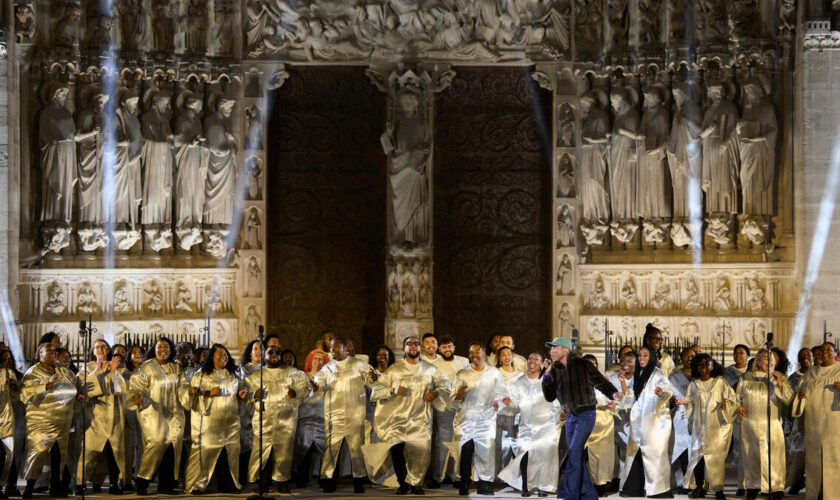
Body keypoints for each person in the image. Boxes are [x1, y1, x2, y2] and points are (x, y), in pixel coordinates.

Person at [364, 336, 451, 494]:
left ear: (420, 348)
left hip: (421, 419)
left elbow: (446, 385)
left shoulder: (431, 369)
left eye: (416, 344)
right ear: (404, 349)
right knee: (397, 450)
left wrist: (436, 392)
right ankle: (403, 483)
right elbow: (376, 390)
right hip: (397, 419)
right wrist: (392, 390)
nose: (413, 346)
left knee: (422, 451)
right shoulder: (395, 370)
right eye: (409, 344)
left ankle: (416, 483)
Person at [542, 337, 621, 500]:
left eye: (555, 348)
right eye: (550, 349)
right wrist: (547, 377)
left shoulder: (583, 365)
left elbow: (600, 381)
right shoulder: (555, 369)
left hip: (586, 414)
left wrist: (612, 393)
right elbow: (550, 397)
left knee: (574, 453)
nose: (551, 351)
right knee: (576, 455)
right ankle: (589, 495)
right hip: (570, 418)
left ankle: (568, 495)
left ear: (565, 350)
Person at [311, 337, 374, 493]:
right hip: (334, 414)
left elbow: (373, 383)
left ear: (346, 348)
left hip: (355, 414)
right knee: (331, 449)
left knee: (356, 449)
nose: (332, 349)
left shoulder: (359, 365)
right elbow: (319, 387)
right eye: (331, 347)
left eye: (335, 346)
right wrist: (315, 386)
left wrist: (374, 378)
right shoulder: (327, 368)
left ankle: (358, 481)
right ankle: (328, 481)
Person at [246, 344, 310, 493]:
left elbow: (305, 388)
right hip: (263, 420)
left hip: (286, 420)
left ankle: (282, 481)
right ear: (265, 355)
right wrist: (253, 395)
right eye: (271, 352)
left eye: (277, 353)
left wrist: (296, 393)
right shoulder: (256, 375)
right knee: (261, 452)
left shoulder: (292, 373)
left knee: (284, 452)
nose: (274, 355)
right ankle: (262, 482)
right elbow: (246, 394)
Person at [183, 344, 246, 494]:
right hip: (209, 423)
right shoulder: (202, 375)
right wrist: (208, 393)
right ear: (211, 357)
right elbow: (194, 396)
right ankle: (198, 484)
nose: (223, 356)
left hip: (230, 422)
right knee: (207, 452)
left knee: (229, 451)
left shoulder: (234, 374)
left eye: (225, 354)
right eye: (219, 354)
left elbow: (240, 393)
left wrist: (241, 396)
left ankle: (229, 484)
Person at [499, 352, 563, 497]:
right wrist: (506, 403)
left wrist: (557, 418)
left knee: (545, 456)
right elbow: (515, 405)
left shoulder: (547, 380)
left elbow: (556, 401)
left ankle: (543, 486)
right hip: (526, 425)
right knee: (524, 453)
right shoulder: (519, 382)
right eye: (530, 358)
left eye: (536, 359)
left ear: (541, 363)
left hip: (546, 424)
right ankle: (525, 486)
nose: (532, 361)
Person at [20, 342, 79, 498]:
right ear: (40, 353)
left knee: (59, 455)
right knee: (37, 452)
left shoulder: (63, 371)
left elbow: (73, 385)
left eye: (54, 351)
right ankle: (29, 486)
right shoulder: (33, 372)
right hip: (42, 420)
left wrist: (77, 394)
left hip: (61, 420)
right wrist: (46, 386)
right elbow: (25, 393)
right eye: (49, 351)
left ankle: (56, 486)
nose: (53, 353)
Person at [735, 349, 794, 500]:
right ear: (759, 361)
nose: (771, 361)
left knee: (774, 457)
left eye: (773, 358)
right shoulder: (746, 377)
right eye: (767, 358)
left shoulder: (780, 377)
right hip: (750, 424)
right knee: (752, 456)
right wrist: (737, 407)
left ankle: (776, 488)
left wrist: (779, 383)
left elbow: (788, 399)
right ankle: (753, 487)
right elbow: (736, 398)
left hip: (772, 424)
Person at [450, 342, 507, 496]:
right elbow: (452, 400)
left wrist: (497, 406)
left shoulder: (494, 372)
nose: (474, 356)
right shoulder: (462, 374)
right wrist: (458, 395)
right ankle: (465, 482)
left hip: (486, 418)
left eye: (477, 352)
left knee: (486, 451)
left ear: (484, 353)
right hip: (466, 418)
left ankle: (485, 483)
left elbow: (502, 396)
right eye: (471, 353)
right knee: (465, 450)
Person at [129, 337, 184, 495]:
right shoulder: (146, 368)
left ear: (171, 349)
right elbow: (137, 385)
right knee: (156, 442)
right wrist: (138, 396)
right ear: (154, 349)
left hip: (174, 413)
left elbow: (182, 386)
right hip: (153, 411)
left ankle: (166, 484)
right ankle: (142, 480)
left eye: (166, 347)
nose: (163, 350)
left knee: (171, 446)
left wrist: (189, 392)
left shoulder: (176, 367)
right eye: (160, 347)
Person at [618, 345, 674, 498]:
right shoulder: (638, 374)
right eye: (640, 355)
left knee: (655, 453)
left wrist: (662, 393)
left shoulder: (658, 374)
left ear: (652, 358)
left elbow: (668, 391)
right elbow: (629, 397)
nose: (641, 358)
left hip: (655, 421)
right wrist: (622, 382)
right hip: (639, 421)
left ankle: (658, 489)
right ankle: (633, 488)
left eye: (645, 355)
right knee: (636, 452)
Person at [74, 339, 127, 495]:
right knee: (89, 451)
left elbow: (121, 389)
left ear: (108, 350)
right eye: (97, 347)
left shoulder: (115, 366)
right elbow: (85, 389)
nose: (101, 349)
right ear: (93, 350)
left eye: (104, 347)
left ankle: (113, 483)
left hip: (113, 414)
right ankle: (80, 483)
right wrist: (97, 371)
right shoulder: (86, 368)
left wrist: (113, 372)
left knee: (114, 451)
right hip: (95, 415)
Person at [682, 353, 736, 499]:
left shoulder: (720, 382)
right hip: (699, 427)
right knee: (698, 457)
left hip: (716, 427)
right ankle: (699, 486)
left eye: (707, 363)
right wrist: (686, 405)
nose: (704, 367)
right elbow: (690, 403)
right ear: (696, 367)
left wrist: (726, 404)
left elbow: (733, 399)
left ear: (713, 366)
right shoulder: (693, 384)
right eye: (700, 364)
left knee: (716, 458)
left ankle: (718, 489)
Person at [791, 342, 840, 500]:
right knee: (813, 462)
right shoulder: (810, 374)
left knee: (833, 459)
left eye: (828, 350)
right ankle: (813, 494)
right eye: (822, 350)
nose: (825, 352)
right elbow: (798, 396)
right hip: (813, 424)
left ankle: (832, 496)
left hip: (834, 423)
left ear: (835, 353)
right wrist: (800, 398)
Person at [428, 336, 469, 488]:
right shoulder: (433, 365)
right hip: (443, 408)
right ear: (439, 349)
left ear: (454, 347)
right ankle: (437, 476)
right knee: (442, 442)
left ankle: (455, 476)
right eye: (444, 347)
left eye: (449, 347)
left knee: (458, 441)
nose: (447, 350)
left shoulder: (464, 362)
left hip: (461, 407)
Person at [582, 355, 618, 497]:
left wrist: (612, 403)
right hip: (585, 422)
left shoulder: (603, 381)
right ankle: (586, 484)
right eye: (588, 364)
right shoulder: (577, 382)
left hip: (603, 423)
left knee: (602, 457)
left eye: (594, 364)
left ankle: (601, 485)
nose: (592, 367)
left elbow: (614, 397)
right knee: (585, 456)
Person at [294, 350, 327, 488]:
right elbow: (297, 395)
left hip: (322, 417)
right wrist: (311, 389)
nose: (318, 361)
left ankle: (324, 480)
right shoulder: (302, 376)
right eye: (315, 358)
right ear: (310, 361)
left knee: (324, 450)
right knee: (305, 447)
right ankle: (302, 479)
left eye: (321, 359)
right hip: (307, 417)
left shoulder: (328, 376)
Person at [785, 348, 812, 495]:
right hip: (798, 422)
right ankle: (797, 481)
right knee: (798, 455)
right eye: (802, 356)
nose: (806, 358)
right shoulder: (793, 379)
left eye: (808, 355)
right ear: (798, 360)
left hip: (814, 420)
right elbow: (788, 401)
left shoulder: (816, 375)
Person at [669, 347, 696, 492]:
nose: (689, 359)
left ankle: (693, 482)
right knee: (681, 449)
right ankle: (682, 482)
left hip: (696, 417)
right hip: (679, 417)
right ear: (681, 358)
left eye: (692, 356)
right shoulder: (673, 377)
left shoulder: (700, 375)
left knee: (694, 450)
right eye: (686, 356)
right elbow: (669, 396)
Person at [609, 350, 636, 488]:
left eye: (630, 361)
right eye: (623, 361)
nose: (625, 364)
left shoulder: (638, 379)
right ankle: (614, 479)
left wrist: (623, 384)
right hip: (615, 416)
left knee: (628, 449)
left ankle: (626, 480)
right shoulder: (612, 378)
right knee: (614, 449)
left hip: (632, 417)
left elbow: (631, 399)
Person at [237, 339, 263, 482]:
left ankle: (258, 478)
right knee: (245, 444)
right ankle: (243, 477)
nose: (259, 352)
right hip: (246, 411)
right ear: (250, 352)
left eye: (262, 349)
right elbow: (238, 388)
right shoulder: (243, 370)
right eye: (256, 349)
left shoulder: (269, 370)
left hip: (263, 412)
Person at [496, 346, 522, 474]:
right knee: (502, 445)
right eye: (503, 355)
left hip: (518, 414)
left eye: (509, 354)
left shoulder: (520, 374)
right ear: (499, 358)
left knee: (517, 445)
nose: (507, 357)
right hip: (501, 414)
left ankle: (515, 475)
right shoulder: (496, 373)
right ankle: (501, 474)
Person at [0, 349, 20, 498]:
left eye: (9, 359)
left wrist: (14, 387)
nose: (7, 362)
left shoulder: (9, 373)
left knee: (9, 453)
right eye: (4, 359)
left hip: (6, 417)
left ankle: (5, 484)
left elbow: (15, 397)